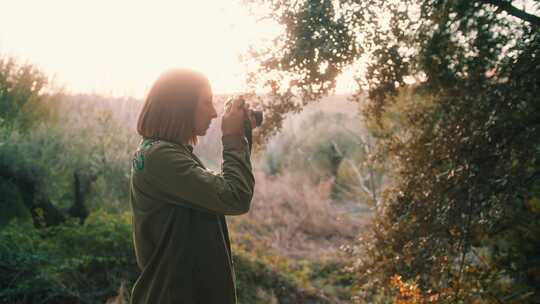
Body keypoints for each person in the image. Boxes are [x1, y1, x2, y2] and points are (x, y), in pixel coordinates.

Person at [129, 69, 255, 304]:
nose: (214, 113)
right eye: (206, 102)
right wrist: (233, 138)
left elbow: (221, 189)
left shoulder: (164, 153)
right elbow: (235, 196)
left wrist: (241, 134)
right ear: (181, 106)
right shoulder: (161, 157)